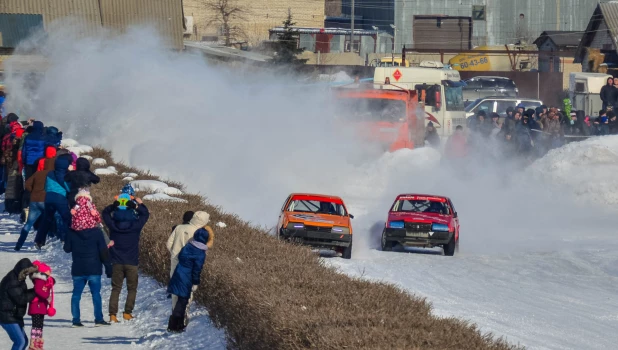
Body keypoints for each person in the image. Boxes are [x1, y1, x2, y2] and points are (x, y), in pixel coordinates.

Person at [63, 201, 112, 328]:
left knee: (76, 294)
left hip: (78, 268)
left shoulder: (72, 232)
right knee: (96, 294)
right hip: (94, 268)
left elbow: (67, 249)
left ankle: (76, 320)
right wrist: (108, 267)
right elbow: (103, 251)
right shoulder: (97, 233)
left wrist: (69, 232)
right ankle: (99, 319)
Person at [102, 195, 150, 323]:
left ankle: (112, 314)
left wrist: (114, 205)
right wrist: (137, 205)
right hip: (132, 262)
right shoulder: (135, 226)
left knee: (116, 288)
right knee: (132, 289)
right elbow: (145, 214)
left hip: (116, 261)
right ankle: (127, 313)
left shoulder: (113, 224)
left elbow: (105, 213)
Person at [166, 227, 213, 333]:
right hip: (187, 277)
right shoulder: (200, 253)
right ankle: (175, 326)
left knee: (180, 300)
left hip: (178, 272)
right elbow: (197, 269)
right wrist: (196, 282)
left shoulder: (188, 246)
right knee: (182, 301)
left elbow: (181, 256)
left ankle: (174, 324)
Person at [167, 211, 211, 313]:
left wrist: (174, 254)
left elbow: (169, 243)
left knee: (175, 289)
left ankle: (174, 313)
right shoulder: (199, 233)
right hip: (189, 265)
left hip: (175, 261)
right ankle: (183, 316)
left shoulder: (179, 227)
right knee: (188, 291)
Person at [15, 157, 54, 251]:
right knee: (48, 221)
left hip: (34, 200)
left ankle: (19, 244)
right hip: (45, 201)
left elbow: (27, 184)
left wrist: (33, 191)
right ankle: (40, 242)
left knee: (28, 223)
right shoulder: (52, 174)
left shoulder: (38, 173)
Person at [34, 154, 73, 248]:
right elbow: (68, 188)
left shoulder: (50, 173)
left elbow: (46, 186)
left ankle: (39, 240)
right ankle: (67, 239)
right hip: (60, 199)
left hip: (48, 198)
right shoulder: (66, 176)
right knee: (67, 219)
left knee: (46, 219)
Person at [0, 258, 38, 350]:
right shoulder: (12, 281)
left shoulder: (18, 278)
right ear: (22, 270)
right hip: (7, 316)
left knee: (23, 341)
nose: (28, 275)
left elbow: (21, 293)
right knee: (20, 342)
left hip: (14, 314)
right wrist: (36, 291)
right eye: (27, 272)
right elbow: (21, 299)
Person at [28, 261, 56, 350]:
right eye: (48, 271)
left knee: (39, 325)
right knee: (36, 325)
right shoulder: (39, 280)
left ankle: (38, 342)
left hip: (41, 306)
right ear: (43, 272)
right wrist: (47, 296)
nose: (50, 273)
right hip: (37, 305)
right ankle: (34, 343)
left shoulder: (45, 280)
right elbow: (38, 290)